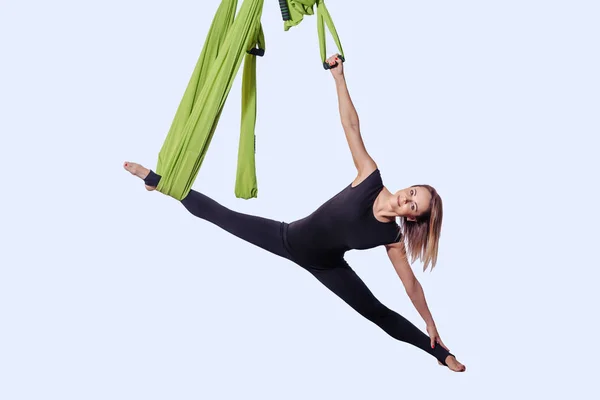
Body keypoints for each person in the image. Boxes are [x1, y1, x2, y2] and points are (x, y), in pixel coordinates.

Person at [124, 54, 466, 372]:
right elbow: (351, 127)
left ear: (412, 218)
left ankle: (439, 352)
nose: (407, 198)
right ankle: (158, 180)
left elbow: (411, 285)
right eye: (412, 192)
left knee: (376, 312)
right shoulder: (370, 177)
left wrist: (430, 322)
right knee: (222, 217)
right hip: (288, 238)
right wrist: (339, 78)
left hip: (328, 267)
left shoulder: (391, 238)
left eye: (413, 205)